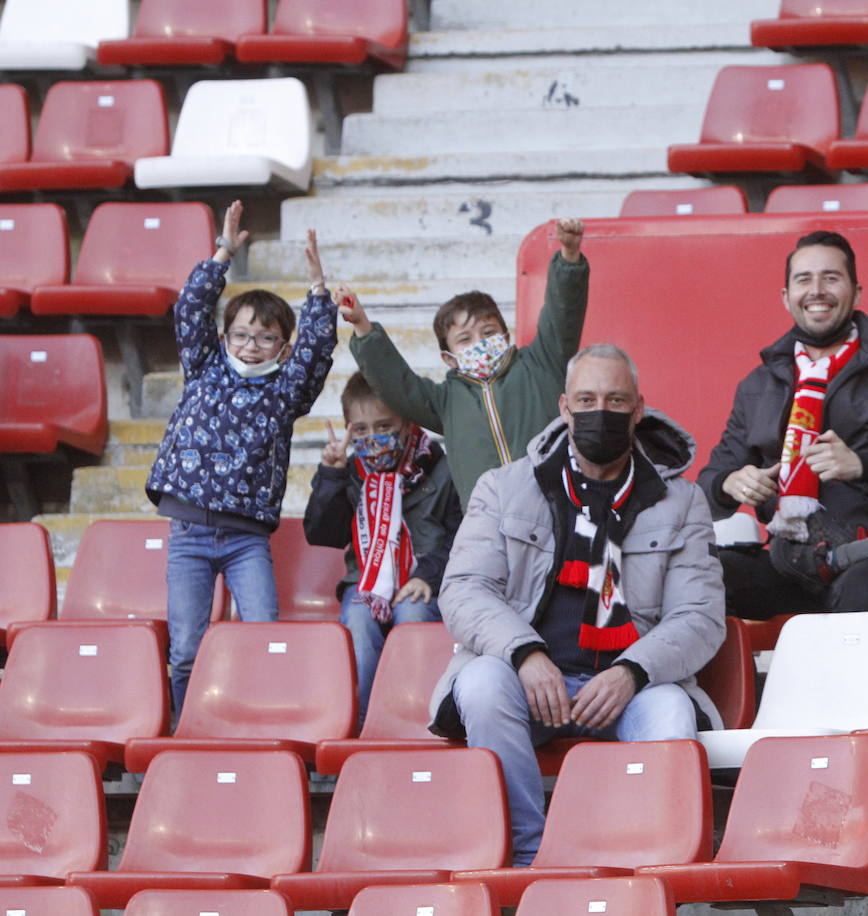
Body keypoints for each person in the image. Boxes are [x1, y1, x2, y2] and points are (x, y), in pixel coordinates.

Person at [427, 343, 725, 866]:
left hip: (631, 686)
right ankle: (529, 859)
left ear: (638, 410)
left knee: (673, 713)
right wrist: (523, 653)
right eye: (586, 400)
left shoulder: (682, 501)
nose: (599, 413)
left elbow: (699, 617)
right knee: (479, 684)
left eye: (615, 401)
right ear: (564, 408)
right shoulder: (503, 487)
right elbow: (464, 589)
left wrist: (632, 671)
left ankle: (640, 868)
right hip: (529, 680)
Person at [698, 230, 868, 617]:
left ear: (856, 293)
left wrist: (864, 464)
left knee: (860, 594)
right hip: (791, 563)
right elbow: (708, 485)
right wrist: (730, 483)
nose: (816, 290)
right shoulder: (757, 385)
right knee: (701, 577)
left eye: (831, 278)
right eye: (803, 279)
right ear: (786, 296)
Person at [145, 200, 337, 717]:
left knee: (262, 635)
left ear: (282, 345)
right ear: (226, 336)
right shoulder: (205, 366)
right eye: (243, 334)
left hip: (246, 538)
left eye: (267, 337)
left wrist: (319, 291)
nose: (252, 346)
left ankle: (254, 722)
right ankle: (191, 730)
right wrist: (222, 254)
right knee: (185, 650)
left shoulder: (285, 389)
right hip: (188, 536)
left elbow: (317, 352)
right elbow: (189, 309)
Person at [341, 218, 588, 508]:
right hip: (490, 520)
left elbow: (563, 315)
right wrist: (361, 324)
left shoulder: (540, 363)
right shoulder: (445, 401)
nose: (480, 343)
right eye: (465, 339)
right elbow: (397, 384)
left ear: (506, 336)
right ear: (448, 358)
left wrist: (569, 258)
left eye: (488, 332)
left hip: (556, 507)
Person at [303, 372, 462, 726]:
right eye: (360, 430)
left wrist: (428, 576)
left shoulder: (445, 469)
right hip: (365, 584)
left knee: (412, 616)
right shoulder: (347, 471)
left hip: (424, 584)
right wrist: (331, 477)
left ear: (407, 423)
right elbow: (321, 533)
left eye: (384, 426)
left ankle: (410, 722)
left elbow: (460, 538)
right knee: (358, 620)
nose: (373, 438)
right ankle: (359, 726)